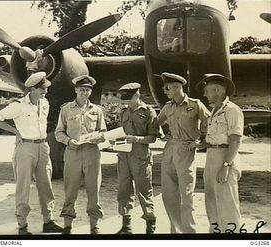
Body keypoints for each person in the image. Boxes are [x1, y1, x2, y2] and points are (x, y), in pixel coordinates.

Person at [0, 72, 63, 235]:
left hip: (43, 147)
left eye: (45, 89)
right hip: (26, 149)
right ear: (33, 89)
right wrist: (16, 132)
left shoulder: (45, 103)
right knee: (23, 188)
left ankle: (48, 221)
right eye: (42, 89)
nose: (45, 92)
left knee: (46, 186)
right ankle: (22, 225)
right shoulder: (18, 105)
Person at [157, 72, 210, 233]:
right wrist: (161, 134)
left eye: (167, 89)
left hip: (187, 151)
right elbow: (155, 123)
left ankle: (189, 232)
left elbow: (210, 122)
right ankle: (176, 231)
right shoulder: (167, 107)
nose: (165, 92)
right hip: (170, 150)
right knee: (169, 194)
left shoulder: (195, 104)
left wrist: (202, 142)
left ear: (176, 87)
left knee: (186, 194)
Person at [55, 75, 106, 234]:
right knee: (70, 190)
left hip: (92, 153)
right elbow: (59, 133)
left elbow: (103, 131)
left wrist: (99, 137)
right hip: (73, 153)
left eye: (88, 90)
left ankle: (94, 225)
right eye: (82, 89)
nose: (85, 92)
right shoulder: (66, 109)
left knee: (93, 189)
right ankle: (67, 225)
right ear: (76, 90)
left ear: (91, 92)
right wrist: (69, 142)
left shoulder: (97, 110)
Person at [196, 74, 244, 233]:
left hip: (225, 157)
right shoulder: (214, 110)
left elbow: (235, 141)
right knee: (212, 201)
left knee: (227, 204)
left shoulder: (232, 110)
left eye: (207, 91)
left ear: (218, 91)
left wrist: (226, 165)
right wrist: (202, 143)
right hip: (211, 156)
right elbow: (216, 136)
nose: (204, 95)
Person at [116, 83, 159, 234]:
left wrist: (137, 139)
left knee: (144, 191)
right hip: (123, 156)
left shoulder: (149, 112)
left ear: (137, 95)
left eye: (130, 99)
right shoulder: (123, 112)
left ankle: (150, 226)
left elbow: (153, 138)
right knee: (124, 190)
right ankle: (126, 226)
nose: (127, 103)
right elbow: (121, 132)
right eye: (125, 100)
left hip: (140, 157)